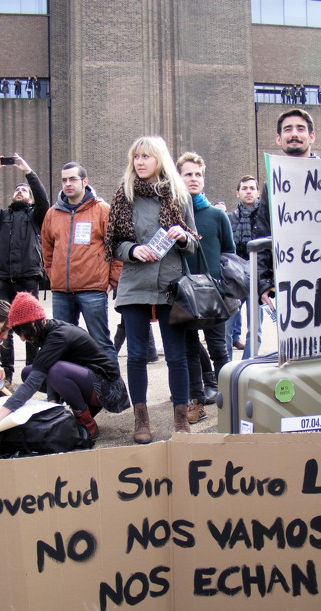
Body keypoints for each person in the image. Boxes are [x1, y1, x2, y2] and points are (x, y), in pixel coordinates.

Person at [105, 136, 198, 442]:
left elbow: (194, 243)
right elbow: (113, 243)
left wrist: (183, 238)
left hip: (171, 286)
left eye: (146, 156)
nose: (140, 162)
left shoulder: (179, 195)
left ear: (160, 160)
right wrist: (132, 250)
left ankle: (181, 419)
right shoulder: (124, 195)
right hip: (134, 284)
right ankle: (141, 420)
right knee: (135, 356)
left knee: (177, 356)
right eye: (136, 157)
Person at [0, 292, 130, 442]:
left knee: (55, 370)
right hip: (90, 381)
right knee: (28, 371)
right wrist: (52, 402)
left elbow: (35, 382)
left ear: (31, 324)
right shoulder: (47, 331)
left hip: (109, 389)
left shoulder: (59, 336)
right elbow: (43, 370)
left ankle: (87, 424)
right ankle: (66, 409)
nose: (22, 338)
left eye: (21, 332)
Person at [0, 154, 49, 384]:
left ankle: (31, 372)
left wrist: (27, 173)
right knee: (3, 325)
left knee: (31, 325)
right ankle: (7, 373)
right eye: (17, 190)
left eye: (24, 190)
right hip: (4, 279)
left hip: (29, 277)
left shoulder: (36, 216)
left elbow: (43, 199)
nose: (20, 192)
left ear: (29, 196)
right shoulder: (2, 217)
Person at [176, 151, 235, 424]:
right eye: (188, 174)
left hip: (214, 294)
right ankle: (196, 402)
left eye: (198, 174)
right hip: (184, 295)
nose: (194, 179)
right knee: (189, 351)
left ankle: (229, 400)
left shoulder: (217, 216)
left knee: (219, 349)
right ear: (178, 178)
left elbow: (229, 254)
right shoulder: (172, 215)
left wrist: (224, 287)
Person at [41, 161, 120, 365]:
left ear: (85, 181)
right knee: (62, 343)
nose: (68, 183)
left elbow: (116, 246)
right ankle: (67, 390)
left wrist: (113, 278)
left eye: (73, 179)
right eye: (64, 180)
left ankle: (113, 391)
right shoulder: (52, 213)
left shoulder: (102, 210)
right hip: (61, 291)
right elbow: (47, 248)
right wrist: (52, 274)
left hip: (92, 288)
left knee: (101, 342)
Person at [254, 109, 318, 309]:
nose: (294, 134)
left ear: (312, 136)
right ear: (278, 138)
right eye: (288, 129)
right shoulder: (271, 184)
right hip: (286, 278)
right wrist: (263, 282)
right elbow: (264, 231)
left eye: (301, 129)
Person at [226, 175, 262, 360]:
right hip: (233, 278)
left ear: (258, 192)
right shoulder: (229, 218)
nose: (248, 191)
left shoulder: (265, 218)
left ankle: (249, 365)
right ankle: (225, 369)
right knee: (226, 329)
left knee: (255, 328)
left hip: (257, 278)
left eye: (251, 188)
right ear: (237, 193)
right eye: (244, 188)